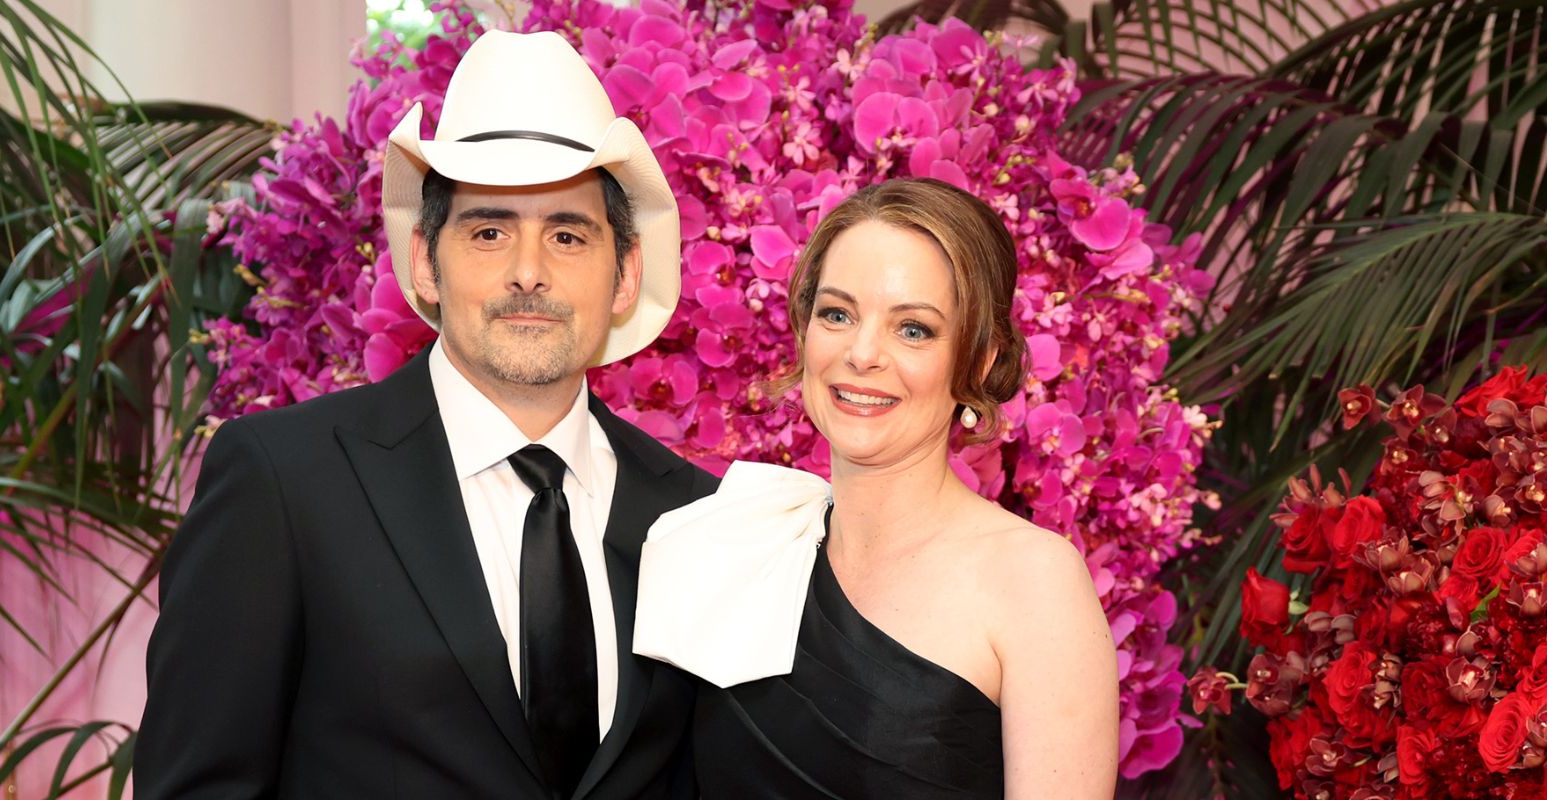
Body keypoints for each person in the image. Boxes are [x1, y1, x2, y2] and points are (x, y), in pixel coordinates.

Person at [137, 31, 717, 799]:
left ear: (624, 275)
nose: (529, 272)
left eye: (569, 235)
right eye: (488, 231)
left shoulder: (692, 515)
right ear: (423, 261)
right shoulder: (284, 484)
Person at [632, 178, 1120, 798]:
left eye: (913, 328)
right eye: (837, 314)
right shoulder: (735, 542)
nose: (862, 353)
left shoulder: (1034, 582)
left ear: (978, 361)